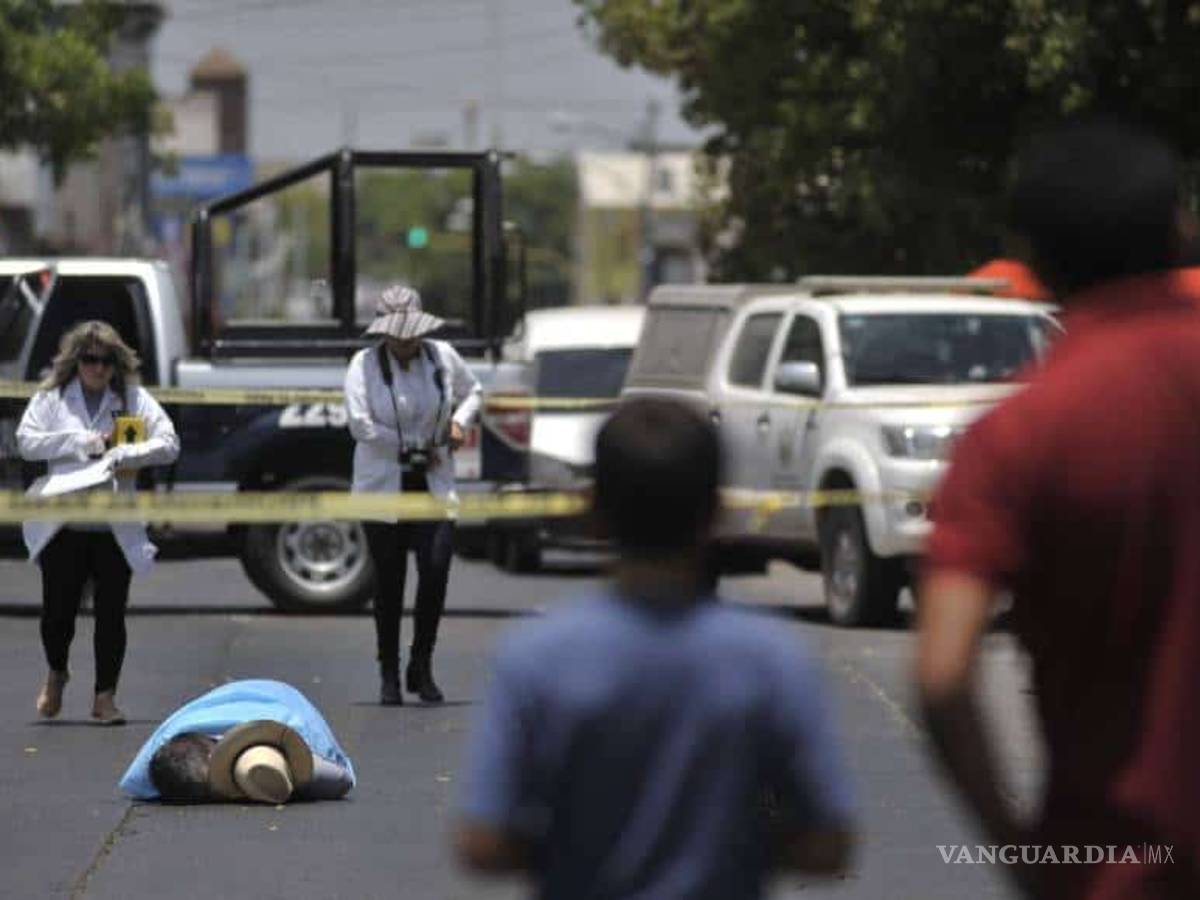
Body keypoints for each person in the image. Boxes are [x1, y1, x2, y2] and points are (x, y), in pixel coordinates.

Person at [917, 118, 1200, 899]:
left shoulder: (1015, 436)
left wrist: (1022, 853)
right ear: (1179, 227)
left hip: (1115, 866)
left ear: (1032, 258)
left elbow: (943, 674)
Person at [454, 397, 856, 899]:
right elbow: (828, 843)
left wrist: (577, 847)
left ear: (593, 511)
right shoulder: (773, 658)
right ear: (717, 512)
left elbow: (483, 842)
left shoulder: (535, 657)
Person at [17, 320, 179, 725]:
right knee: (58, 616)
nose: (98, 369)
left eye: (106, 361)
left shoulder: (133, 398)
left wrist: (128, 453)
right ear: (76, 361)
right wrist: (80, 442)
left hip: (112, 528)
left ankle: (104, 697)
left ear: (116, 364)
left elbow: (169, 444)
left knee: (111, 616)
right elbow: (26, 441)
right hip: (65, 524)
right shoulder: (53, 398)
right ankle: (57, 671)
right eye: (90, 360)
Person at [344, 285, 481, 705]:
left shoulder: (442, 356)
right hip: (384, 485)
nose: (406, 343)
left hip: (434, 483)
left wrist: (458, 423)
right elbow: (360, 425)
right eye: (398, 336)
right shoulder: (363, 365)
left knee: (435, 571)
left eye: (412, 334)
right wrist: (413, 443)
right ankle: (388, 671)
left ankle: (421, 664)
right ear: (384, 333)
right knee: (389, 582)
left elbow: (473, 392)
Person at [119, 679, 355, 803]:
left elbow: (341, 779)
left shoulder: (289, 730)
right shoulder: (150, 768)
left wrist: (286, 775)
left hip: (282, 701)